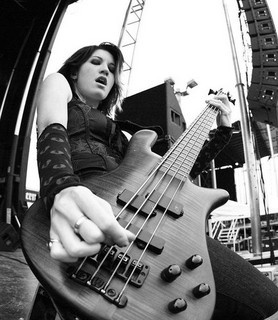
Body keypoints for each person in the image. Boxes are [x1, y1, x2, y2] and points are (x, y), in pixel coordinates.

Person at [36, 42, 278, 319]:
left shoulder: (130, 136)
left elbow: (177, 173)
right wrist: (62, 188)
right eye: (95, 62)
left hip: (145, 222)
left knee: (269, 302)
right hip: (84, 205)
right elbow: (51, 126)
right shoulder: (59, 84)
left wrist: (222, 129)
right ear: (75, 71)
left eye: (112, 69)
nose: (105, 70)